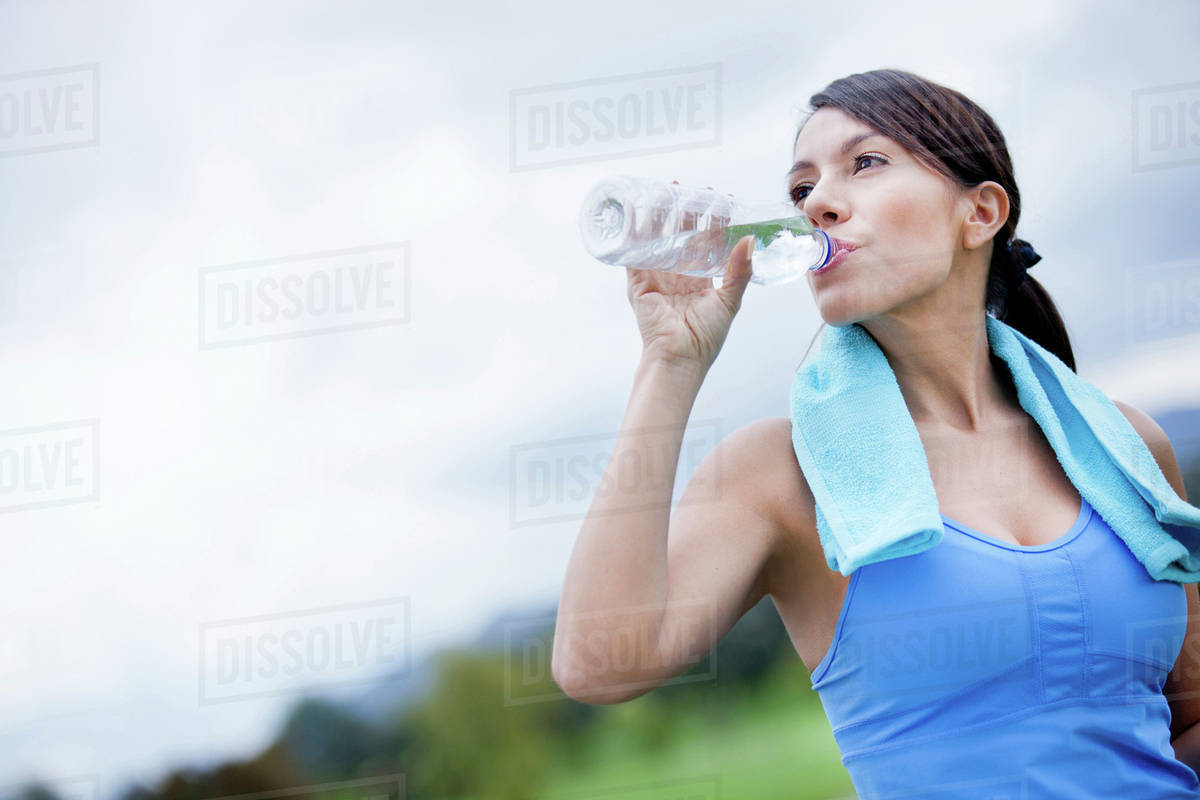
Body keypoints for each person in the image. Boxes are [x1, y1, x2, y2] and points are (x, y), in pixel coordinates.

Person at [551, 68, 1200, 797]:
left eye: (865, 164)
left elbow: (1187, 721)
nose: (816, 203)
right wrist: (669, 364)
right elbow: (599, 664)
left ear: (980, 213)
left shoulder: (1126, 449)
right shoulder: (781, 475)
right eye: (800, 190)